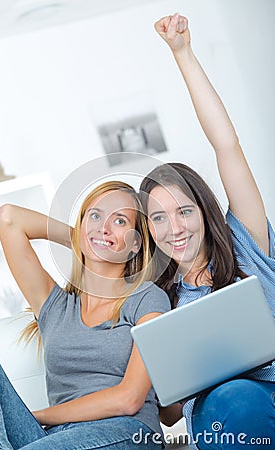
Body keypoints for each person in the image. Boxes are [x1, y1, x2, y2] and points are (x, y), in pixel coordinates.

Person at [139, 13, 275, 450]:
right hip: (226, 410)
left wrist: (183, 53)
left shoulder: (245, 241)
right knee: (232, 400)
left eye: (183, 211)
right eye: (158, 218)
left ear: (205, 210)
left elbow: (227, 145)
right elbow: (168, 411)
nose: (174, 228)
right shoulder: (157, 299)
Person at [0, 180, 171, 449]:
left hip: (127, 430)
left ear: (135, 243)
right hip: (56, 438)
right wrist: (85, 238)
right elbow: (8, 218)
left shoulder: (147, 298)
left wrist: (38, 416)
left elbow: (129, 399)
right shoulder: (54, 305)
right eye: (95, 214)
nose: (104, 226)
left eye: (120, 221)